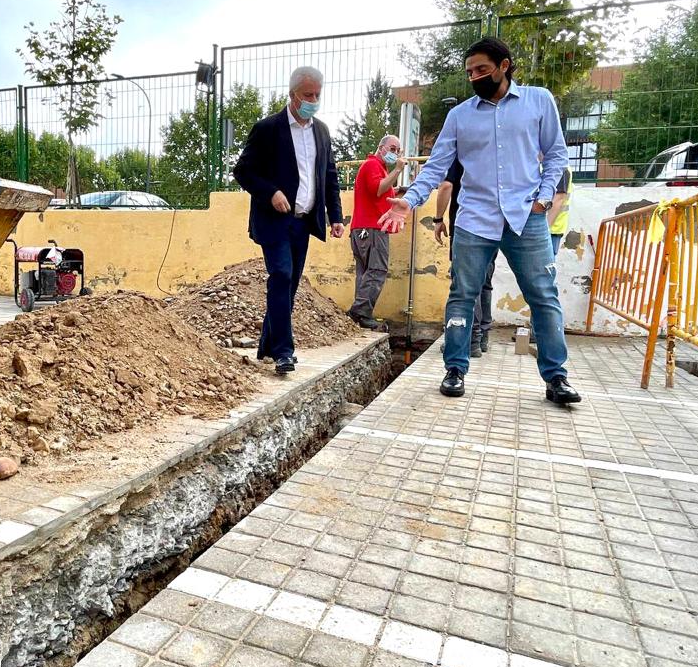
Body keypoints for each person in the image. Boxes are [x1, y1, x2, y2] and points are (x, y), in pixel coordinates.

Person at [378, 37, 581, 405]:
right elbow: (436, 168)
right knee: (463, 295)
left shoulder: (539, 101)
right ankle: (455, 368)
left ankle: (557, 378)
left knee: (544, 296)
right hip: (475, 218)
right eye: (470, 71)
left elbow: (556, 154)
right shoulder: (460, 116)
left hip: (526, 217)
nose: (474, 77)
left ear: (505, 66)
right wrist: (408, 202)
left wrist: (545, 195)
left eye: (482, 70)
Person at [234, 66, 345, 374]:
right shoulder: (268, 128)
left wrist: (335, 215)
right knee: (281, 276)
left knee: (290, 284)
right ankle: (284, 352)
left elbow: (329, 176)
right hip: (274, 221)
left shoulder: (320, 131)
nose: (313, 100)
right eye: (308, 95)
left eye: (317, 95)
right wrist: (270, 192)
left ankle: (268, 346)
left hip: (303, 221)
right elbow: (243, 171)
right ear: (293, 94)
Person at [434, 159, 495, 357]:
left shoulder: (462, 150)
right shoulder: (495, 147)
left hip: (467, 226)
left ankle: (470, 340)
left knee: (467, 284)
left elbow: (446, 185)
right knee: (485, 282)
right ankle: (483, 336)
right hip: (495, 224)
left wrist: (438, 218)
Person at [348, 134, 405, 330]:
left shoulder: (377, 168)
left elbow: (382, 192)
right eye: (392, 148)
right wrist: (398, 169)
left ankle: (360, 315)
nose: (395, 153)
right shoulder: (372, 165)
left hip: (362, 228)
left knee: (365, 272)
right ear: (381, 148)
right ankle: (360, 311)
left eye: (398, 150)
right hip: (371, 228)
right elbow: (378, 189)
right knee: (377, 269)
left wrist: (397, 190)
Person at [547, 165, 573, 256]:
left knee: (544, 266)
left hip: (550, 229)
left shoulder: (560, 167)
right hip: (551, 229)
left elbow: (558, 199)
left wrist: (544, 228)